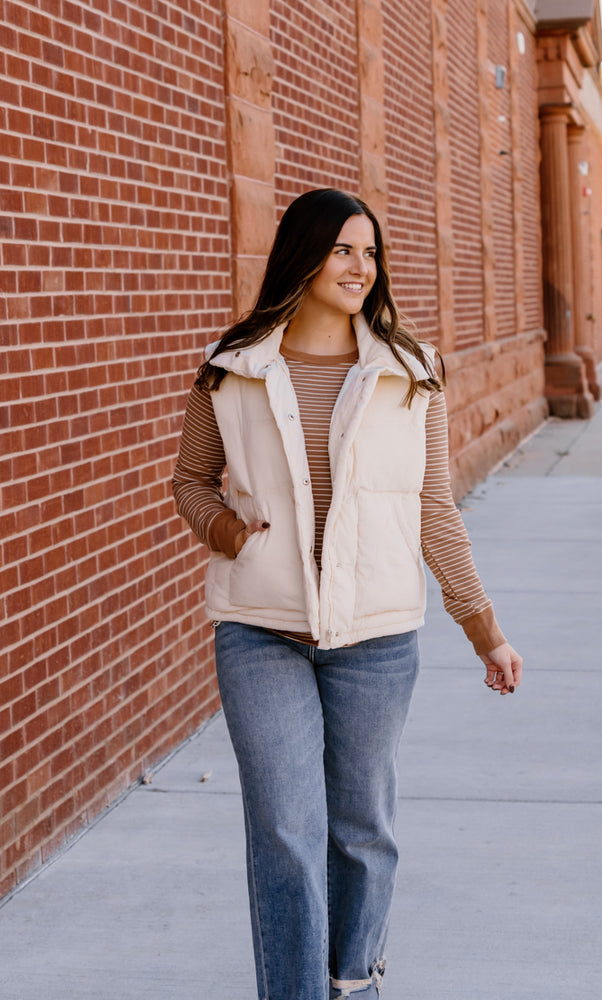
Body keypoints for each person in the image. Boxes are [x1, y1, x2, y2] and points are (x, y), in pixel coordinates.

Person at [172, 188, 522, 1000]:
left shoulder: (412, 371)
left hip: (377, 636)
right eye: (342, 250)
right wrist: (227, 534)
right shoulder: (233, 368)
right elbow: (191, 481)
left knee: (362, 829)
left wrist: (486, 632)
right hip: (261, 630)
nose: (360, 267)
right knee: (286, 830)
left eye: (370, 253)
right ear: (303, 255)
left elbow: (434, 508)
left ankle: (351, 981)